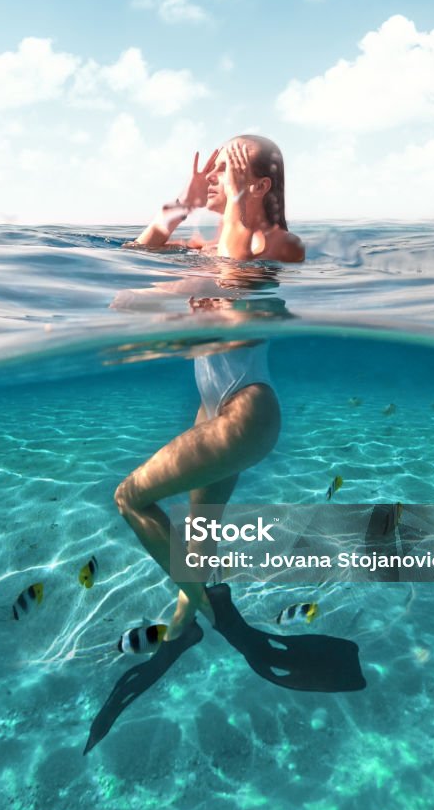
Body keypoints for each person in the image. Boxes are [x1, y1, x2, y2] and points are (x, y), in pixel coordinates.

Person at [84, 136, 365, 756]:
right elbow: (133, 264)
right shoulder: (207, 248)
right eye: (209, 171)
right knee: (197, 529)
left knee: (131, 497)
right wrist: (180, 205)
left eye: (224, 168)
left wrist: (239, 218)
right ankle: (193, 623)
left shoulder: (267, 244)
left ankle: (204, 603)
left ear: (258, 185)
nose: (210, 176)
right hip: (216, 409)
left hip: (245, 412)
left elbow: (280, 258)